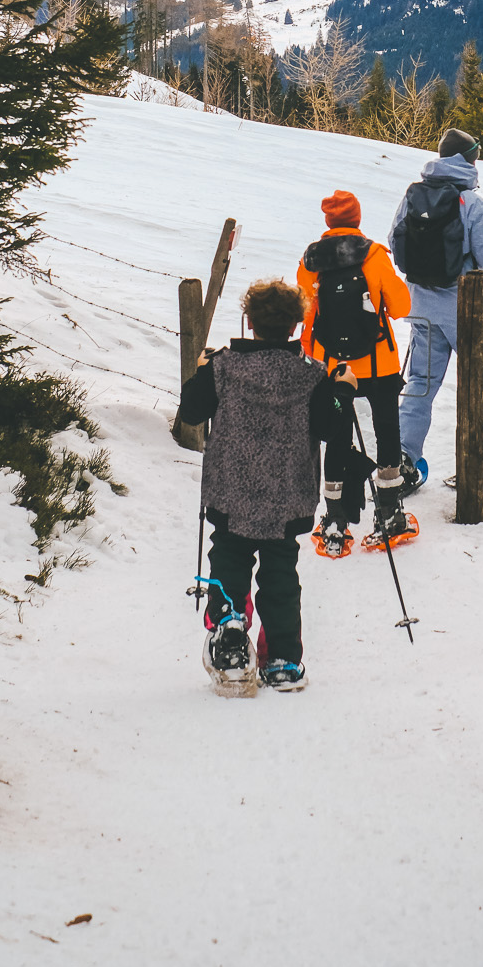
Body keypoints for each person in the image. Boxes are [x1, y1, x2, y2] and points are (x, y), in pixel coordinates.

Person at [178, 277, 356, 693]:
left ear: (249, 321)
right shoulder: (311, 376)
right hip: (287, 496)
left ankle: (229, 642)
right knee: (279, 574)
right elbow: (331, 427)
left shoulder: (224, 367)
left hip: (229, 492)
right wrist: (341, 392)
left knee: (228, 562)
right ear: (296, 326)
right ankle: (282, 660)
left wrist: (203, 370)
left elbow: (191, 411)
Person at [390, 128, 483, 487]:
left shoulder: (413, 196)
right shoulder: (472, 204)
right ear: (470, 160)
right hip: (464, 310)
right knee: (477, 380)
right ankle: (477, 460)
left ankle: (404, 460)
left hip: (420, 305)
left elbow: (395, 242)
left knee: (420, 383)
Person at [297, 188, 413, 556]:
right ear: (357, 219)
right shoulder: (374, 256)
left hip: (333, 365)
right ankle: (390, 511)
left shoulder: (311, 260)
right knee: (387, 431)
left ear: (329, 221)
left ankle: (335, 518)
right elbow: (400, 306)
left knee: (337, 435)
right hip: (379, 363)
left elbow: (304, 310)